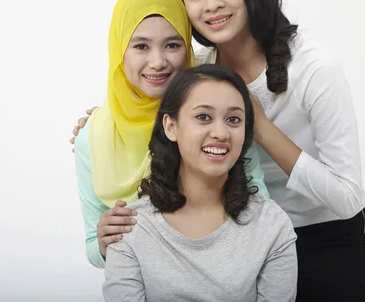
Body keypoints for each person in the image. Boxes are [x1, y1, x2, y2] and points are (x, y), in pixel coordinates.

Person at [73, 0, 365, 301]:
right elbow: (147, 89)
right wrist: (102, 122)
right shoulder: (197, 69)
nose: (211, 4)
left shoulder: (314, 69)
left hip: (323, 230)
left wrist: (259, 125)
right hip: (236, 237)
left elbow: (348, 198)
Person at [74, 0, 269, 269]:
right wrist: (104, 243)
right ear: (119, 50)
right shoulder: (92, 137)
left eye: (173, 45)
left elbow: (260, 215)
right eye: (140, 46)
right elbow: (94, 248)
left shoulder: (221, 117)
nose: (158, 62)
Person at [103, 64, 297, 302]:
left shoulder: (272, 225)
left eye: (234, 119)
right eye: (203, 117)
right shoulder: (129, 226)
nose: (221, 133)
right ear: (171, 127)